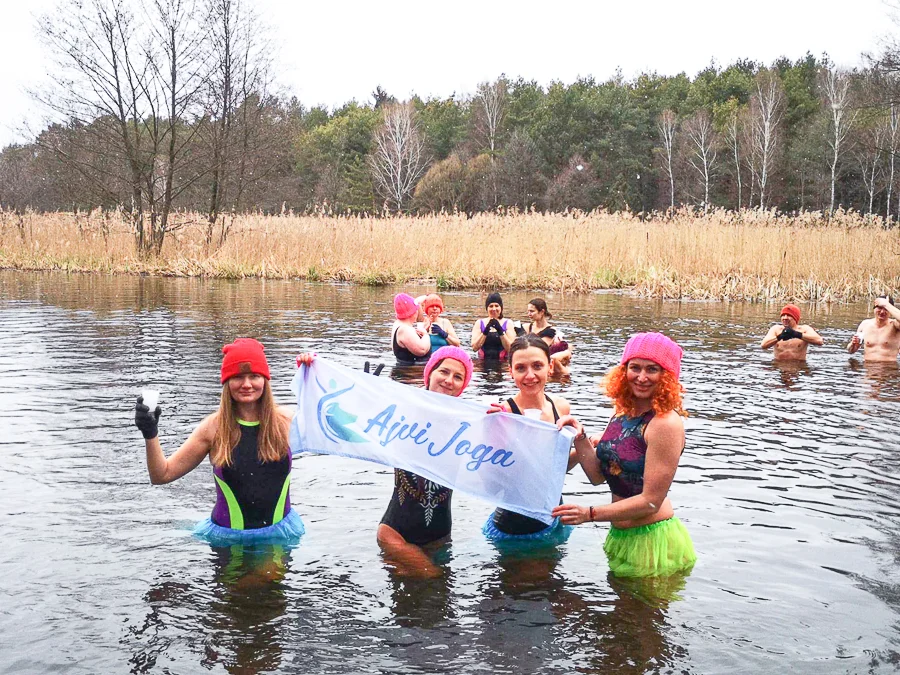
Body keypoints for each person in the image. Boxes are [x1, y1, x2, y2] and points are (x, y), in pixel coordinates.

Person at [133, 338, 304, 544]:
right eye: (238, 377)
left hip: (279, 536)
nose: (247, 384)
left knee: (268, 575)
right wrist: (150, 434)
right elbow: (162, 475)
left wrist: (313, 375)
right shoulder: (213, 428)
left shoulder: (286, 421)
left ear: (265, 381)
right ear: (227, 382)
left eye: (254, 376)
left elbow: (334, 428)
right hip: (229, 541)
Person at [552, 332, 696, 578]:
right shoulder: (621, 412)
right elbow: (599, 477)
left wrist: (589, 514)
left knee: (641, 615)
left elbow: (651, 501)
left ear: (667, 377)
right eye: (634, 367)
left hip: (653, 540)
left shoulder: (665, 424)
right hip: (621, 535)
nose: (641, 377)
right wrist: (580, 436)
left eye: (652, 369)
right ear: (623, 371)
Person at [377, 345, 474, 576]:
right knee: (432, 580)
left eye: (458, 376)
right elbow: (348, 425)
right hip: (396, 534)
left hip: (440, 540)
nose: (449, 380)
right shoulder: (401, 410)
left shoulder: (468, 423)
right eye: (444, 371)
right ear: (429, 373)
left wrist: (501, 420)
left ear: (463, 386)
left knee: (437, 604)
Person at [483, 334, 577, 542]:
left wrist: (582, 450)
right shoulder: (502, 414)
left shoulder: (561, 407)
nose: (530, 375)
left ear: (550, 366)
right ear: (510, 372)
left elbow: (554, 468)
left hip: (553, 516)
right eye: (521, 368)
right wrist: (496, 432)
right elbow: (491, 484)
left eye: (537, 366)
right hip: (514, 525)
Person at [848, 295, 900, 362]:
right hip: (868, 368)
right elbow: (851, 351)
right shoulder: (865, 325)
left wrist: (886, 304)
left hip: (888, 369)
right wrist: (853, 344)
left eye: (885, 309)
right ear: (874, 308)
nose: (882, 312)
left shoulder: (895, 325)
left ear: (890, 310)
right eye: (879, 308)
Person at [471, 292, 517, 361]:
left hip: (502, 363)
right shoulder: (479, 323)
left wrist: (500, 331)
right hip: (482, 362)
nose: (494, 309)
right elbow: (474, 348)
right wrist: (485, 331)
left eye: (496, 305)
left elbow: (511, 349)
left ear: (501, 307)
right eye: (491, 306)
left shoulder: (508, 323)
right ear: (487, 308)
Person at [392, 293, 431, 364]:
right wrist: (425, 334)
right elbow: (422, 350)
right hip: (411, 373)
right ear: (413, 312)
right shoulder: (405, 330)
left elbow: (419, 318)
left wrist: (417, 302)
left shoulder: (398, 324)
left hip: (404, 370)